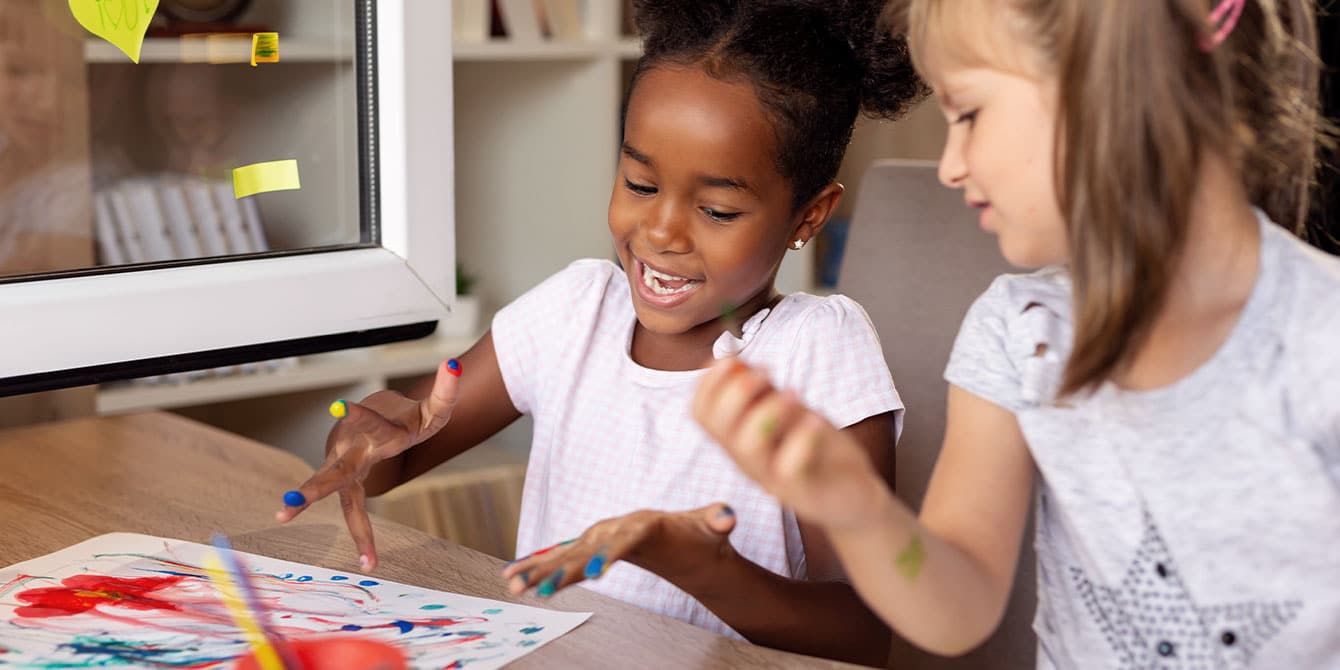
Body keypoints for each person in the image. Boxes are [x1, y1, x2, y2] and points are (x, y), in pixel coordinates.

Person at [277, 1, 925, 663]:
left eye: (716, 209)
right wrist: (367, 433)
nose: (660, 231)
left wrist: (703, 568)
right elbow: (398, 455)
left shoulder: (815, 352)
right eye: (640, 183)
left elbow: (864, 634)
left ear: (808, 216)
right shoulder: (574, 311)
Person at [695, 0, 1340, 666]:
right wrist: (856, 507)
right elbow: (956, 606)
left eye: (968, 114)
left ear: (1114, 88)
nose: (950, 167)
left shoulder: (1324, 339)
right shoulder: (1021, 331)